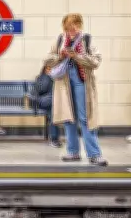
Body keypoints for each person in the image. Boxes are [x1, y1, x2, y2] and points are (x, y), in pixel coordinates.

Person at [45, 13, 107, 166]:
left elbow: (96, 61)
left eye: (74, 27)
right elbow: (48, 60)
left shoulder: (87, 40)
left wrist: (77, 56)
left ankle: (94, 154)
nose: (71, 31)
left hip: (82, 83)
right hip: (64, 84)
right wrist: (61, 56)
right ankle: (73, 152)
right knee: (68, 118)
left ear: (80, 25)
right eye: (68, 28)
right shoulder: (60, 40)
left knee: (85, 118)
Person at [29, 64, 61, 148]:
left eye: (52, 69)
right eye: (48, 69)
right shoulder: (42, 77)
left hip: (50, 103)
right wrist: (49, 78)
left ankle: (54, 139)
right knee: (53, 110)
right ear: (44, 69)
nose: (50, 71)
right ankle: (54, 139)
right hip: (41, 101)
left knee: (53, 114)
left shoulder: (56, 78)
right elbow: (41, 89)